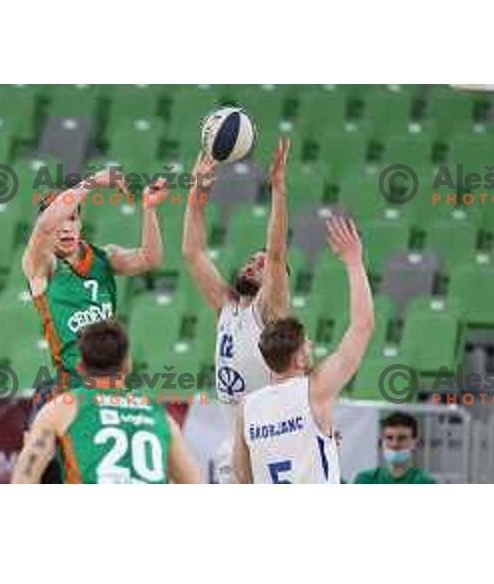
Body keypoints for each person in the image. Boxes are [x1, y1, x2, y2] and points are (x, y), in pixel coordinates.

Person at [232, 216, 374, 484]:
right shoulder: (315, 389)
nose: (311, 346)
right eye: (307, 342)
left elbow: (242, 475)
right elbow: (362, 326)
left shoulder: (247, 407)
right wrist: (354, 262)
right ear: (299, 358)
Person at [182, 140, 291, 482]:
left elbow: (275, 254)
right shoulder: (227, 307)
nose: (254, 263)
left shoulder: (271, 311)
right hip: (236, 444)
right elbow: (193, 252)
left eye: (261, 264)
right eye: (251, 260)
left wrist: (278, 190)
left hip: (272, 444)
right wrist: (196, 197)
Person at [23, 168, 166, 390]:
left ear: (80, 223)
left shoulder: (103, 257)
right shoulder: (41, 265)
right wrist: (93, 181)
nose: (65, 228)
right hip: (73, 386)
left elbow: (150, 259)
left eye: (72, 218)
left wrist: (149, 210)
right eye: (59, 220)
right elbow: (44, 226)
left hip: (114, 382)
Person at [12, 320, 202, 484]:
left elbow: (25, 477)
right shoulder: (159, 415)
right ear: (128, 365)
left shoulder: (60, 408)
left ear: (80, 367)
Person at [354, 411, 437, 484]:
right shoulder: (365, 480)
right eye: (389, 438)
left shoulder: (424, 482)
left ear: (414, 443)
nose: (395, 444)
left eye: (402, 438)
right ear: (382, 442)